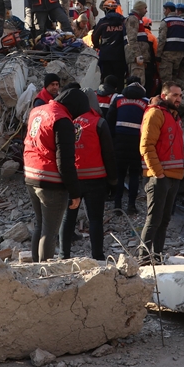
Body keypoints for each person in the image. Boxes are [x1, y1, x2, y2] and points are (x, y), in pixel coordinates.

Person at [24, 88, 89, 262]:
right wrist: (75, 192)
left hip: (31, 174)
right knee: (50, 231)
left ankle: (34, 268)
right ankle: (44, 271)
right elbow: (65, 162)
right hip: (50, 180)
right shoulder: (62, 120)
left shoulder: (38, 111)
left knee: (40, 225)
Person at [60, 100, 117, 260]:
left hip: (72, 178)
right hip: (95, 179)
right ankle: (98, 257)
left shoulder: (66, 121)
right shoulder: (98, 122)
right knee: (95, 219)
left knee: (68, 218)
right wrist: (113, 180)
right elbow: (109, 153)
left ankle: (63, 256)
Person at [139, 81, 184, 263]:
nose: (179, 99)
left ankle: (157, 258)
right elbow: (146, 145)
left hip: (173, 176)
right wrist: (158, 173)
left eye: (180, 95)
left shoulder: (173, 116)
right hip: (159, 176)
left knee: (164, 220)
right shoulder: (155, 113)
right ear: (164, 96)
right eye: (175, 95)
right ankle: (143, 259)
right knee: (154, 220)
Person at [107, 77, 149, 215]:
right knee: (134, 174)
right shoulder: (146, 102)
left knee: (120, 174)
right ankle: (131, 205)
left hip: (119, 141)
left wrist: (113, 140)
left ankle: (117, 205)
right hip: (137, 142)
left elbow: (110, 120)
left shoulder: (118, 99)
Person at [93, 2, 127, 85]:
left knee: (106, 80)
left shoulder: (103, 22)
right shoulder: (123, 21)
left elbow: (95, 36)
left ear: (106, 9)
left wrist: (98, 46)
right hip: (120, 55)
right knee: (120, 79)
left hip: (106, 56)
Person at [156, 1, 184, 86]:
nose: (164, 12)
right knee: (175, 78)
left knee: (166, 80)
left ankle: (168, 94)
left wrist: (158, 55)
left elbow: (162, 39)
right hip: (180, 55)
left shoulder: (166, 22)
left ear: (168, 10)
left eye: (164, 10)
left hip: (167, 55)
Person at [124, 1, 150, 83]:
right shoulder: (133, 19)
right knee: (138, 81)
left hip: (138, 57)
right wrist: (138, 55)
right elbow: (131, 39)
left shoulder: (137, 19)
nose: (146, 11)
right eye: (145, 8)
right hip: (135, 58)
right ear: (139, 8)